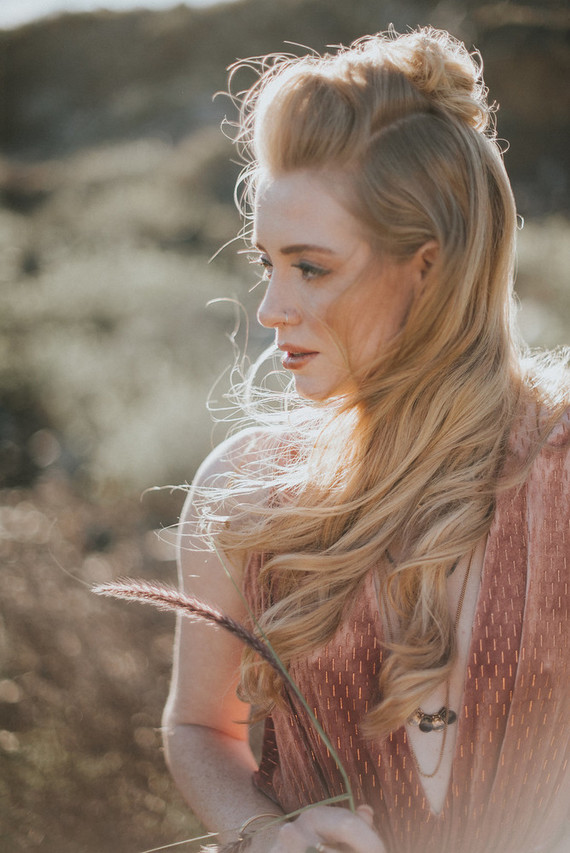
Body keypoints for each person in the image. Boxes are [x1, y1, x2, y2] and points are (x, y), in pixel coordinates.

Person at [160, 26, 569, 853]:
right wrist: (269, 830)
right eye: (265, 262)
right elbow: (199, 726)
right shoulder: (244, 492)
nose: (271, 307)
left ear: (432, 266)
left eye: (310, 266)